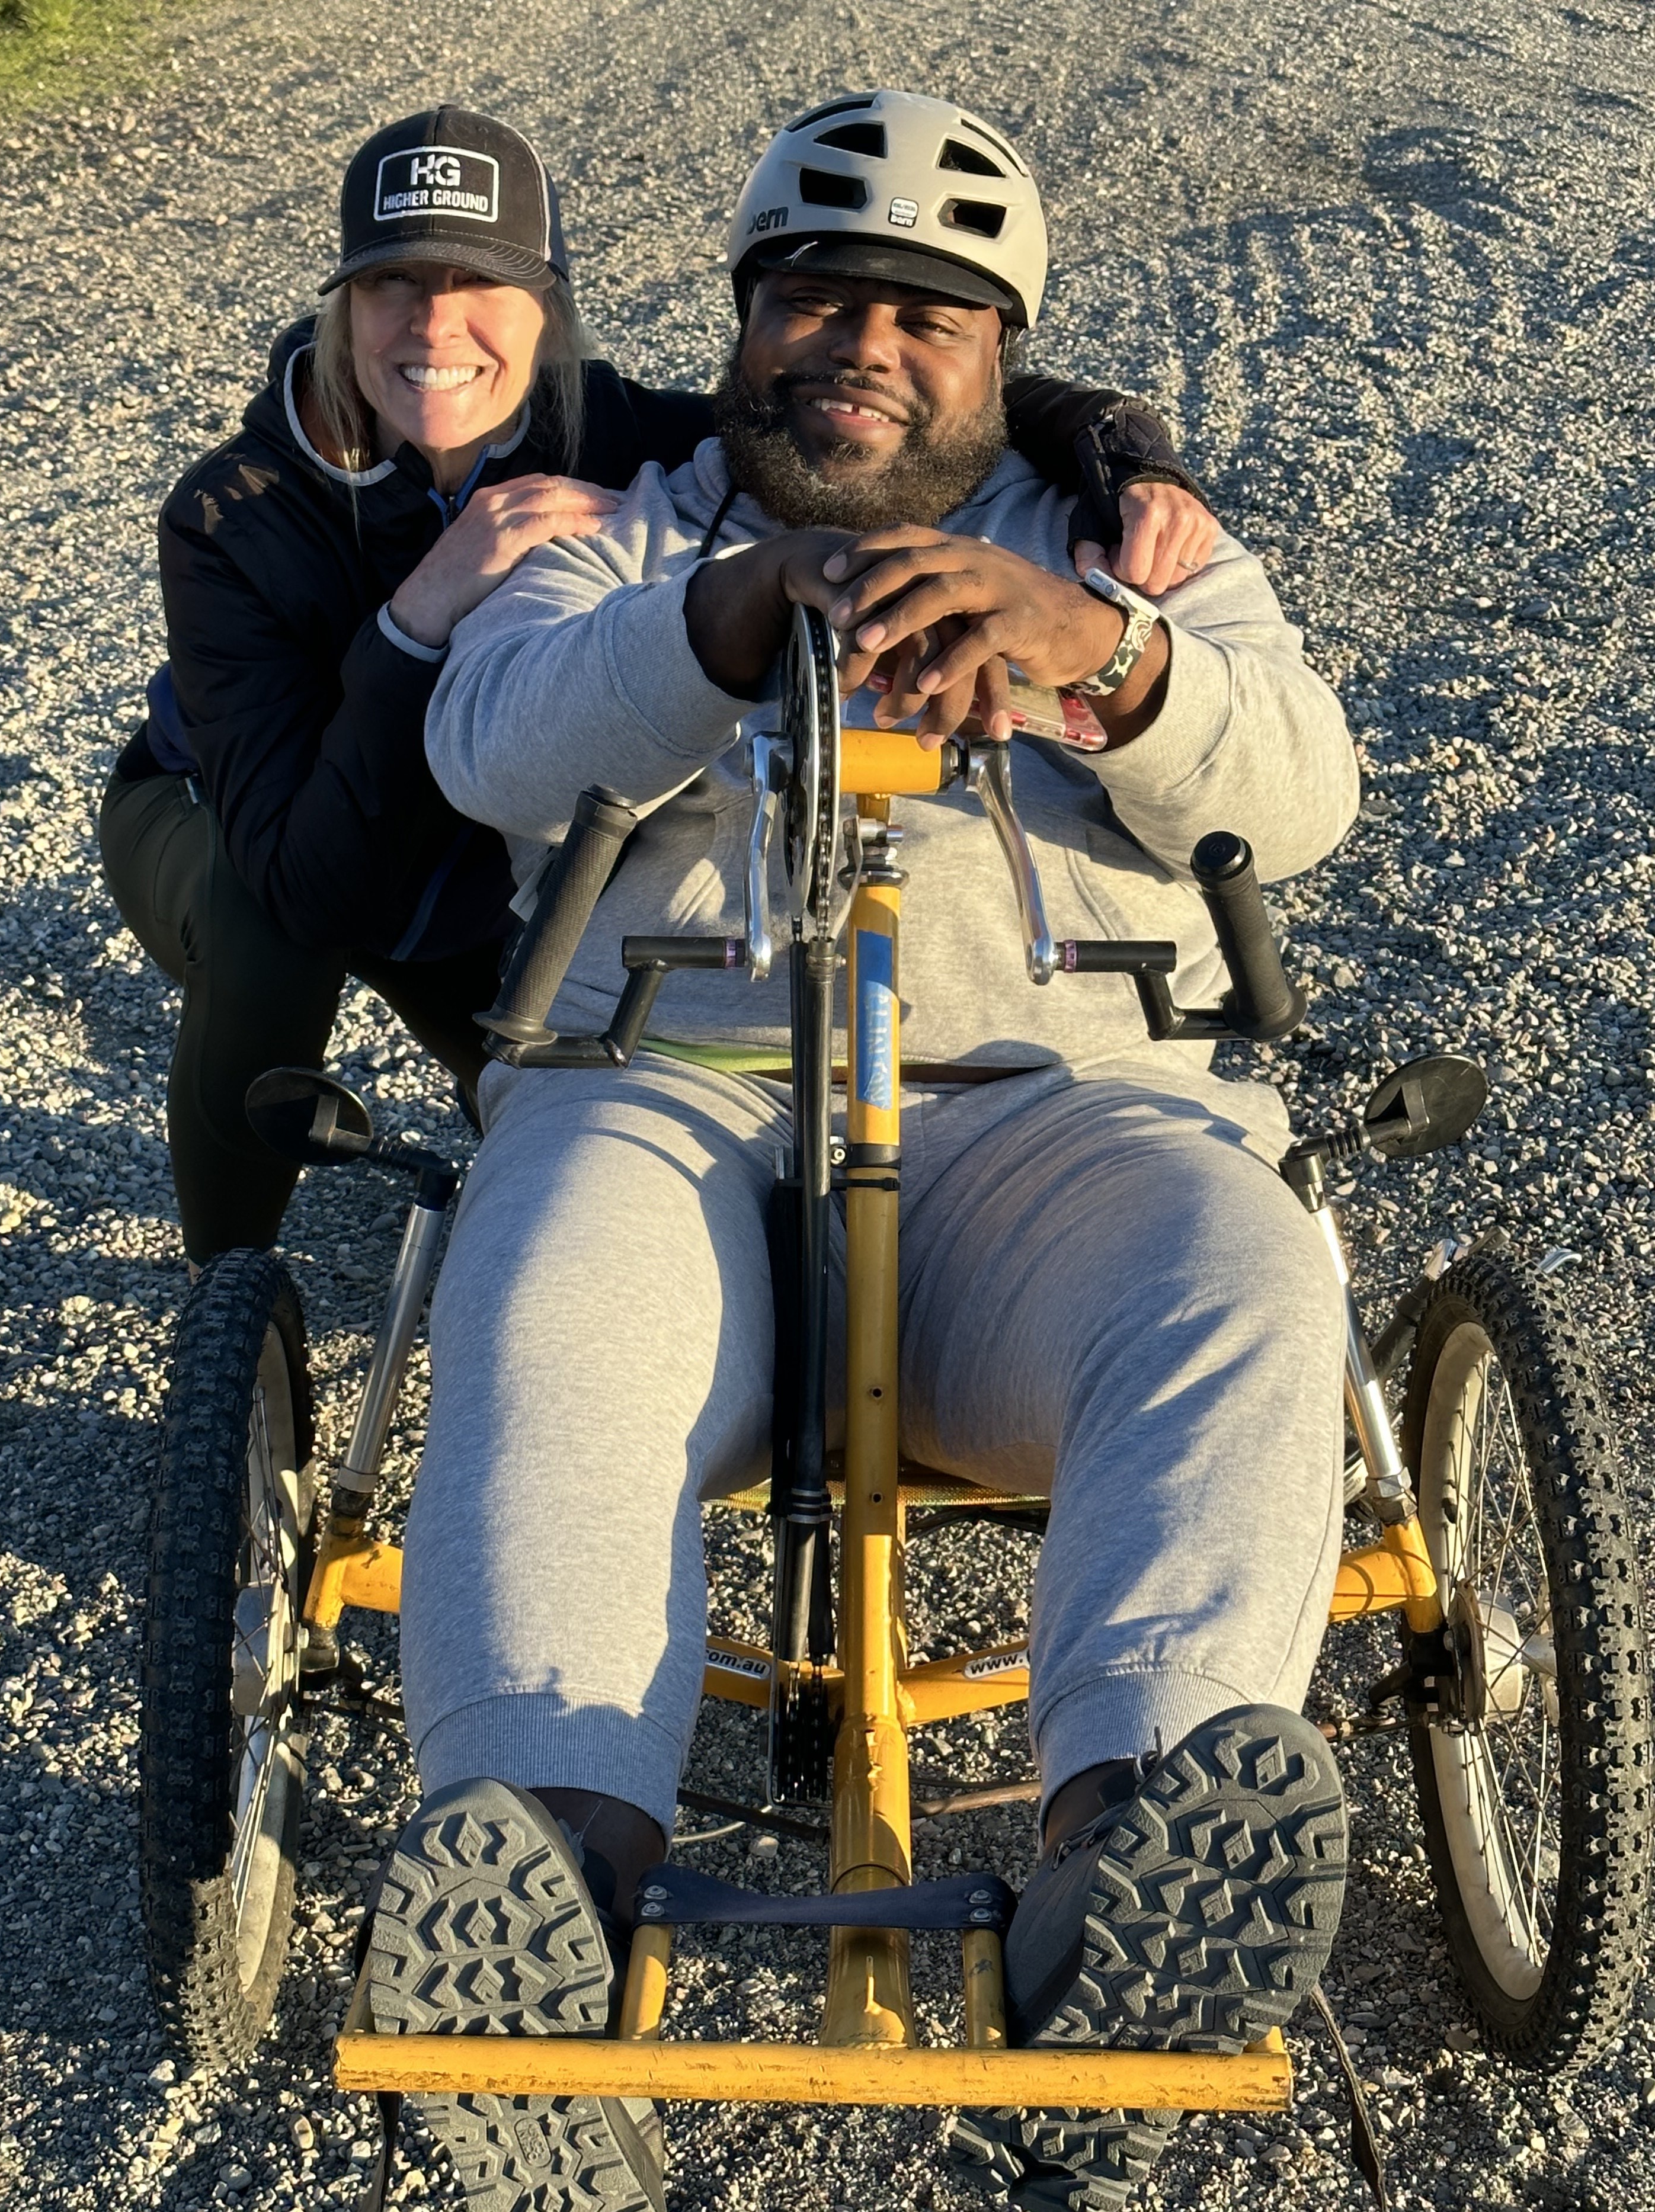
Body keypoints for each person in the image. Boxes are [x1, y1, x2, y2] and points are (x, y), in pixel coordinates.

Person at [363, 87, 1360, 2212]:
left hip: (1045, 1119)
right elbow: (485, 740)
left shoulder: (1129, 544)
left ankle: (1136, 1849)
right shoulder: (623, 527)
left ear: (1003, 349)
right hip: (668, 1099)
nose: (865, 346)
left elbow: (1304, 791)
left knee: (1242, 1270)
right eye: (819, 297)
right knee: (545, 1313)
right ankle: (539, 1886)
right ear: (744, 319)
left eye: (928, 313)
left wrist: (1110, 657)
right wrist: (725, 616)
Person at [95, 104, 1216, 1268]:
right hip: (233, 812)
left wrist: (1125, 448)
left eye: (481, 285)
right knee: (269, 935)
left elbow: (880, 395)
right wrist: (422, 610)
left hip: (469, 825)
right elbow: (308, 877)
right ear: (344, 304)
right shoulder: (232, 511)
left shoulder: (616, 431)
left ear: (549, 304)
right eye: (393, 283)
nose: (435, 325)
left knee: (545, 1091)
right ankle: (224, 1279)